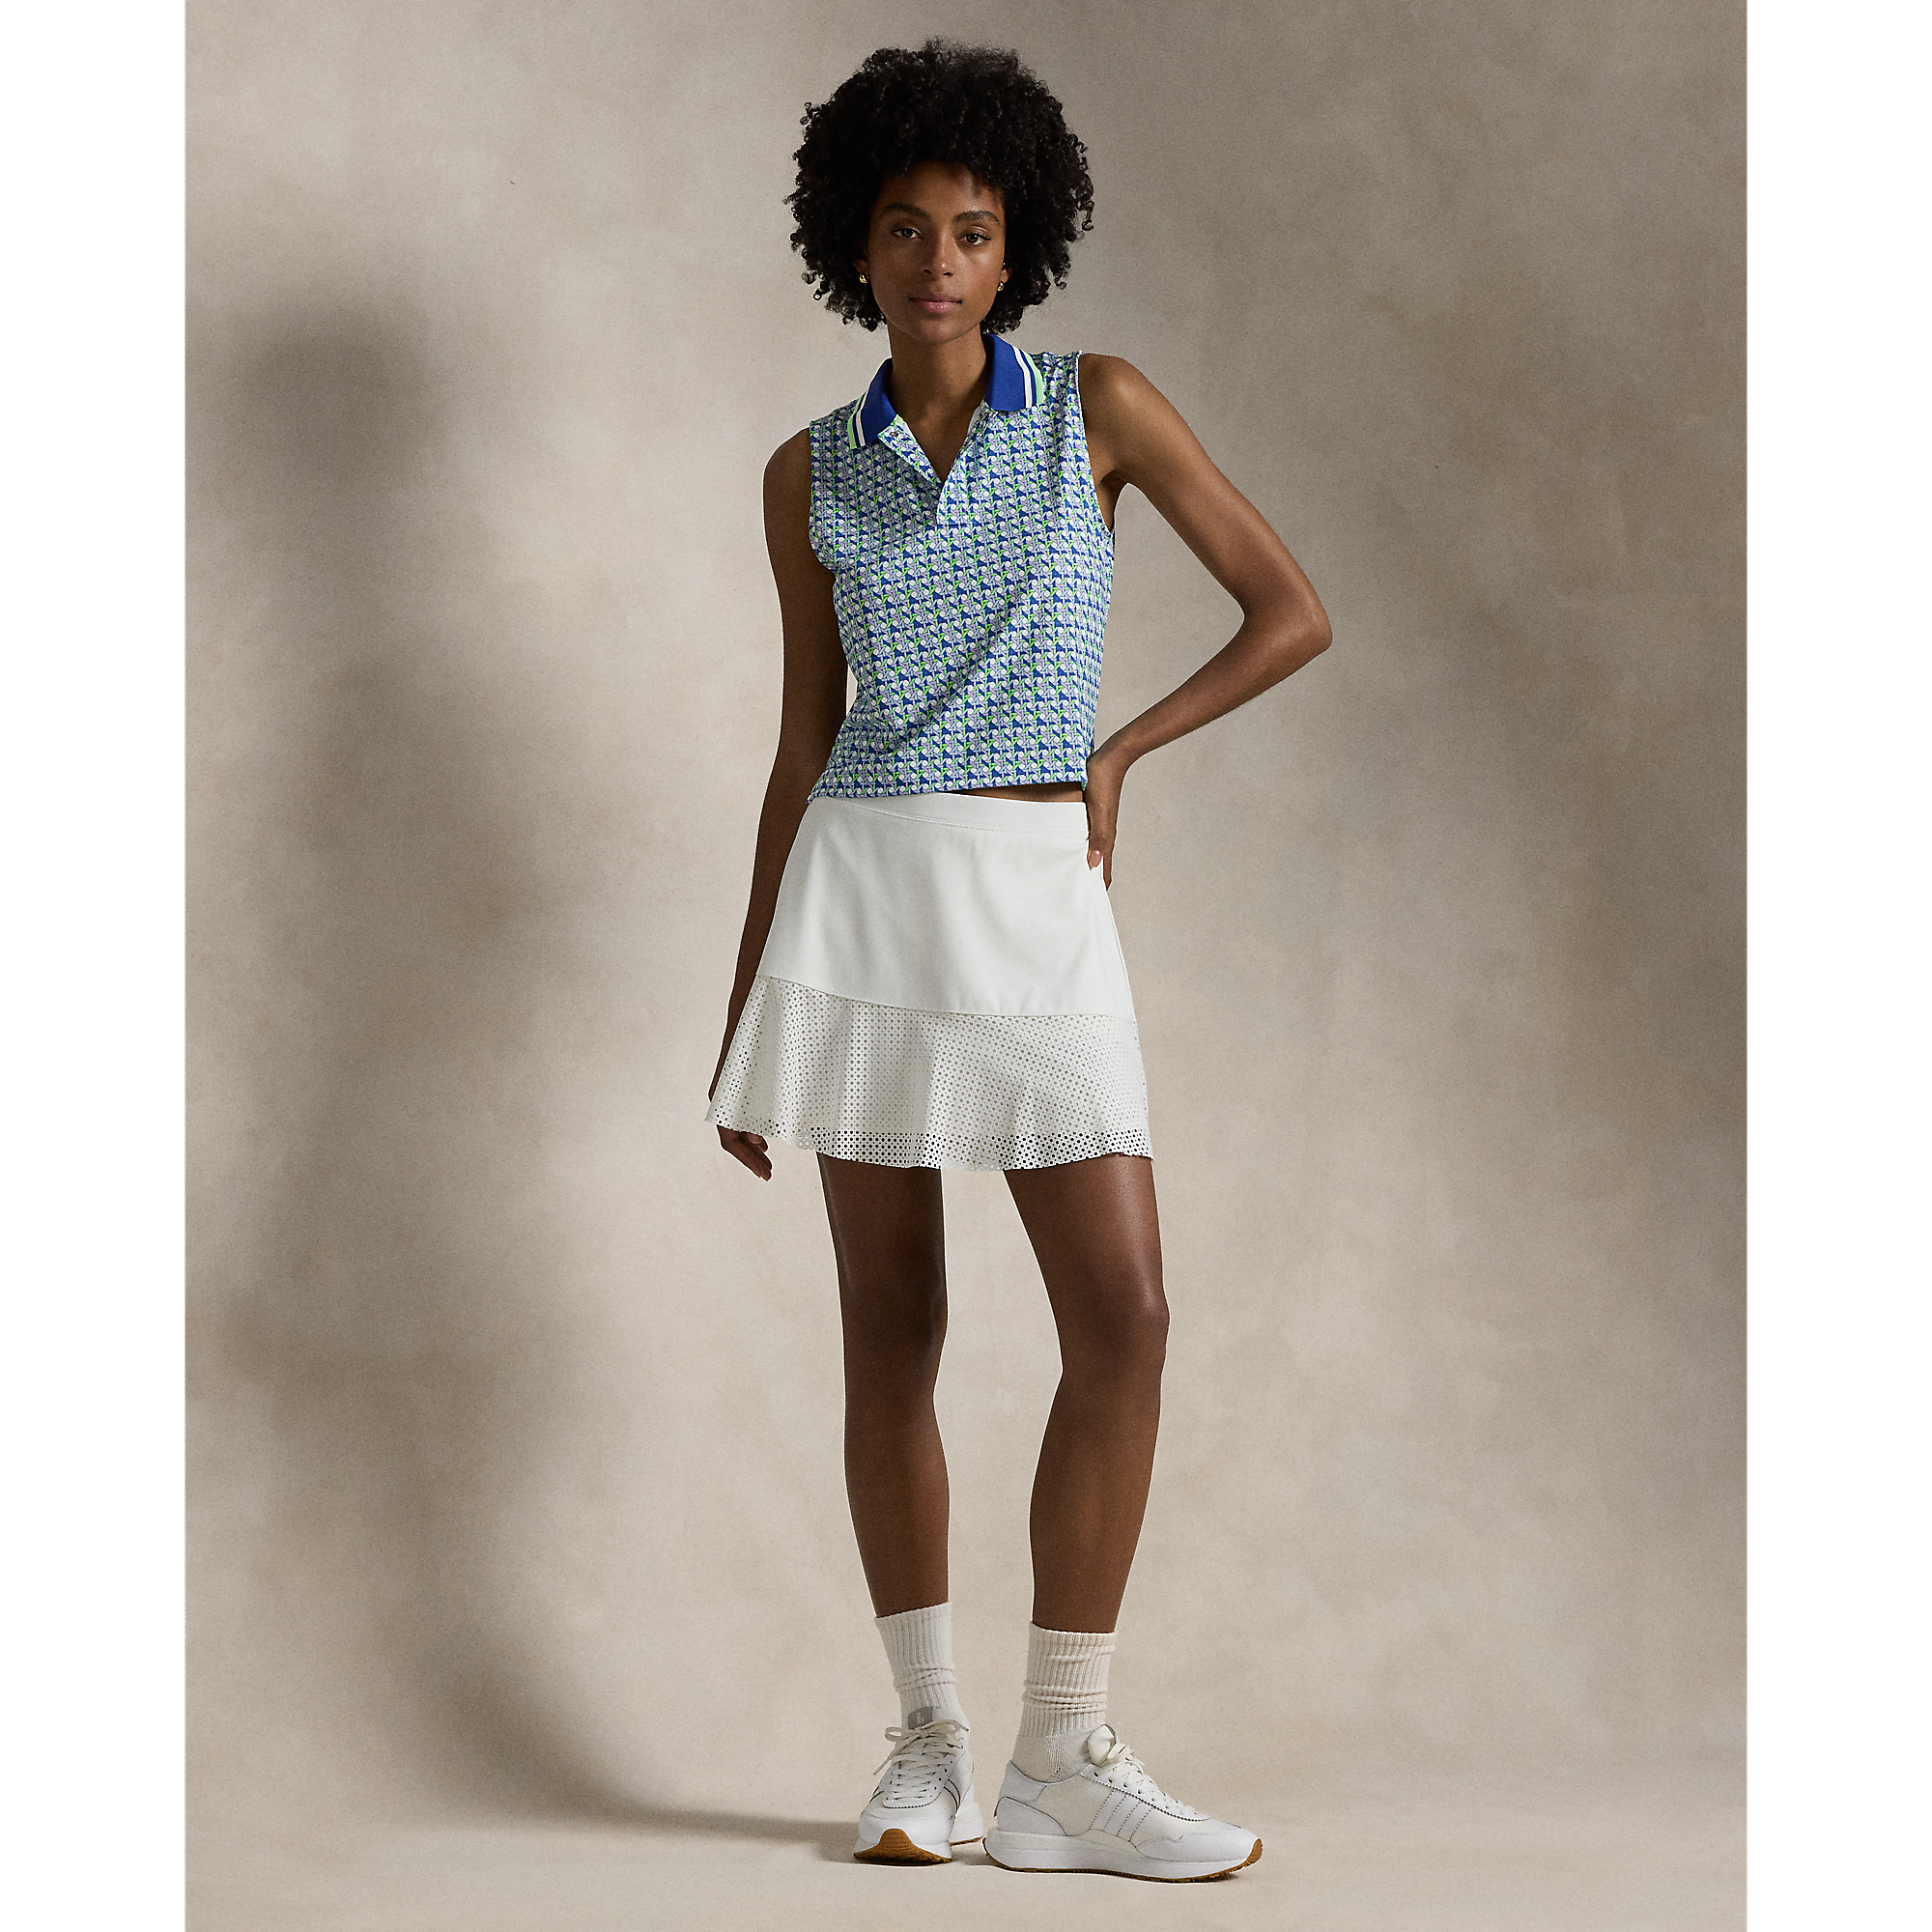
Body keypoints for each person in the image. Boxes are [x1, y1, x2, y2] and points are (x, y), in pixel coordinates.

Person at [705, 39, 1330, 1882]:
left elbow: (1290, 610)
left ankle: (1065, 1756)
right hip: (861, 901)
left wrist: (1118, 756)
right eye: (904, 228)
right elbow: (800, 748)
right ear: (855, 243)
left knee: (1124, 1315)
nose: (938, 261)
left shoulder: (1097, 411)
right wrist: (746, 1005)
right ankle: (927, 1746)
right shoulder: (804, 475)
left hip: (1035, 890)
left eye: (972, 230)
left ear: (1017, 244)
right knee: (892, 1332)